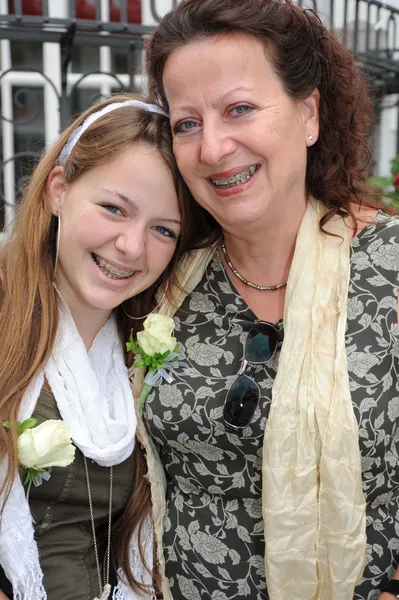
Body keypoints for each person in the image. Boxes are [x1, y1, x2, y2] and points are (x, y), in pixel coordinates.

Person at [129, 1, 399, 600]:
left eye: (240, 109)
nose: (214, 147)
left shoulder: (389, 264)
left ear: (308, 114)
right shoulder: (159, 276)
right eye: (187, 123)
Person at [0, 93, 203, 600]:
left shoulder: (146, 347)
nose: (132, 247)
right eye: (114, 208)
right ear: (59, 190)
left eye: (162, 229)